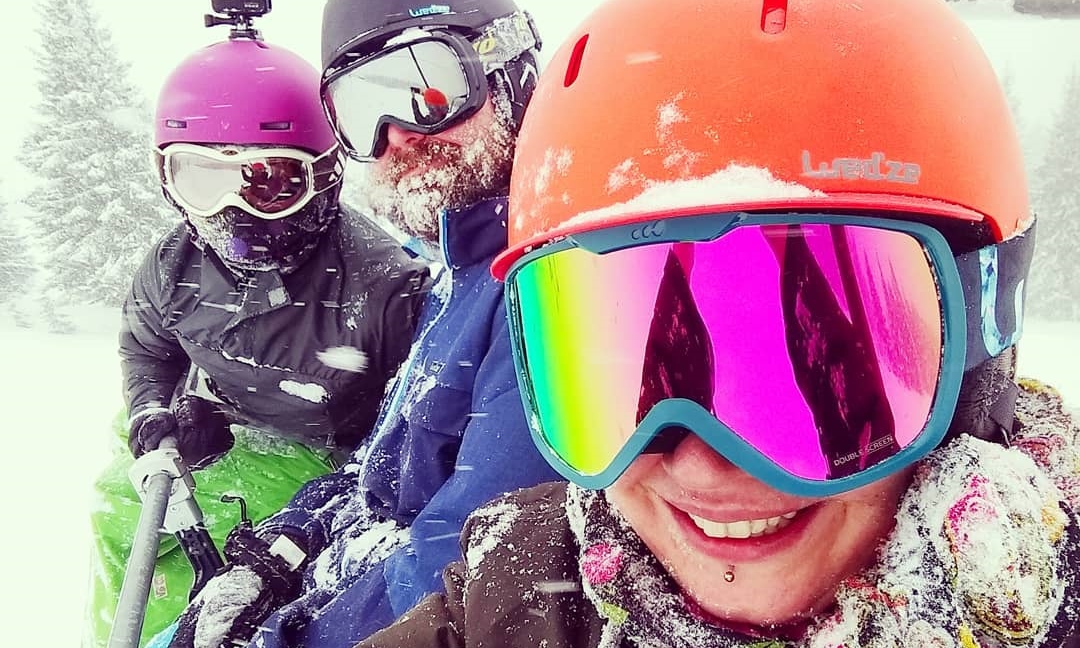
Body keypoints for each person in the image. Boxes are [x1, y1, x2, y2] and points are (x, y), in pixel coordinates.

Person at [354, 0, 1080, 646]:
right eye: (624, 378)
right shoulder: (518, 585)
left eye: (815, 370)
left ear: (981, 348)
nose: (702, 465)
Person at [155, 1, 561, 647]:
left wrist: (279, 637)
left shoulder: (550, 288)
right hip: (347, 582)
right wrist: (287, 544)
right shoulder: (458, 273)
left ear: (507, 70)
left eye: (427, 85)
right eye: (361, 110)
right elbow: (379, 474)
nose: (396, 134)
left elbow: (465, 565)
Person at [85, 27, 432, 648]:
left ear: (323, 179)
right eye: (199, 179)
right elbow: (147, 344)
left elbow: (414, 434)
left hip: (327, 454)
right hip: (219, 417)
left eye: (268, 181)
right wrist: (154, 410)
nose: (228, 212)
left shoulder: (382, 289)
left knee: (227, 532)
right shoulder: (175, 265)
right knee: (117, 509)